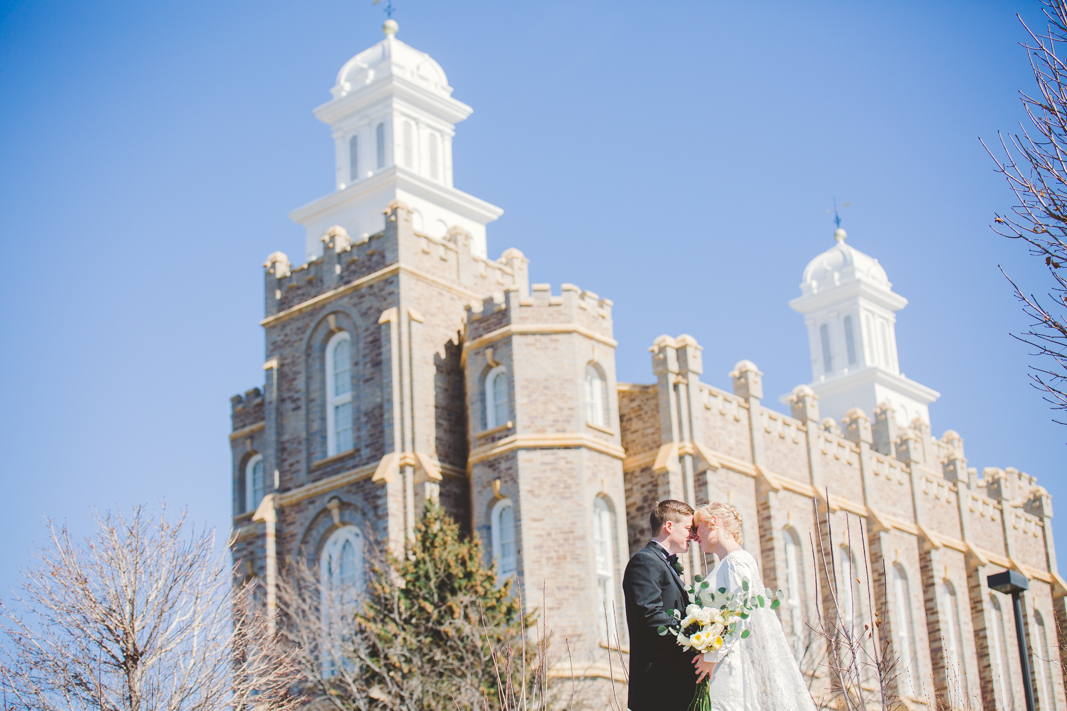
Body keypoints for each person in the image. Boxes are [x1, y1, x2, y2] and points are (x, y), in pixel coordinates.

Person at [690, 503, 816, 711]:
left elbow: (741, 613)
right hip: (721, 660)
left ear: (714, 522)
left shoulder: (736, 561)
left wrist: (713, 656)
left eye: (696, 528)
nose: (694, 536)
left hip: (726, 663)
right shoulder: (725, 563)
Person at [622, 499, 698, 711]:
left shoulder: (665, 564)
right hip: (658, 688)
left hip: (674, 686)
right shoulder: (645, 562)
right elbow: (650, 617)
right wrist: (694, 638)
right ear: (669, 526)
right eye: (688, 528)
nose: (691, 535)